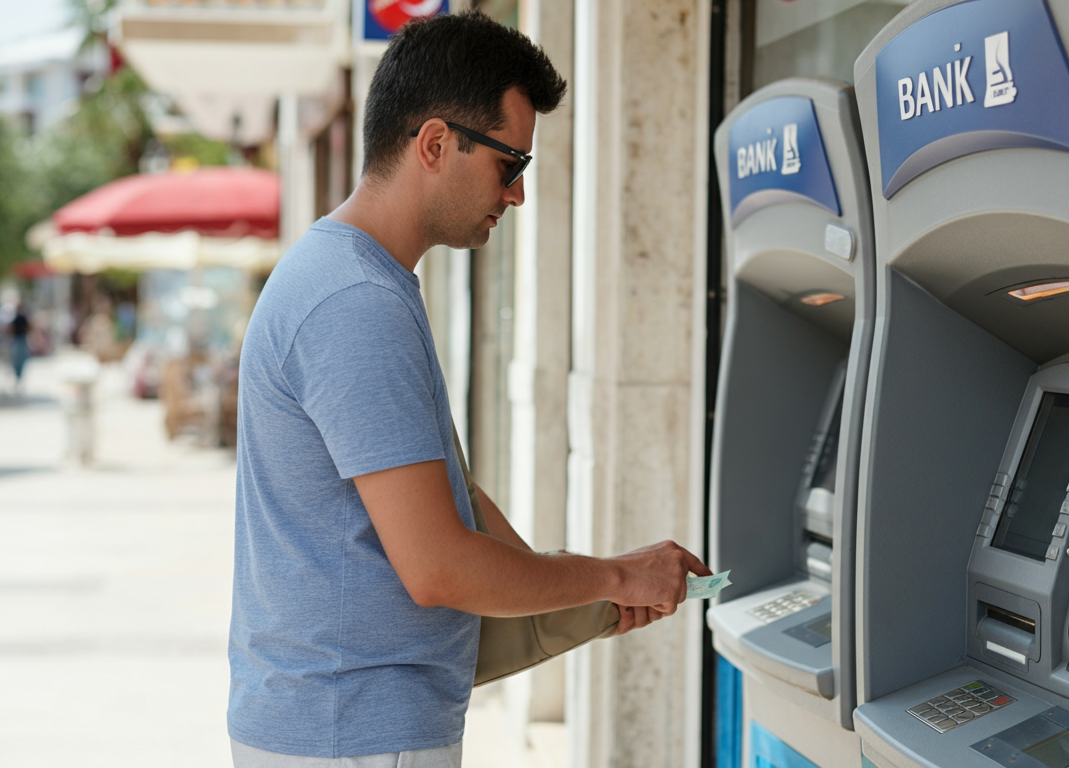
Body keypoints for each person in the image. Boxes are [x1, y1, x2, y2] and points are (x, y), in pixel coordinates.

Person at [228, 11, 711, 768]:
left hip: (338, 724)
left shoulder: (348, 279)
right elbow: (439, 567)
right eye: (510, 163)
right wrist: (620, 574)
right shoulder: (357, 302)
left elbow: (447, 496)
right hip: (357, 734)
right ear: (434, 143)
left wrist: (587, 597)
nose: (517, 194)